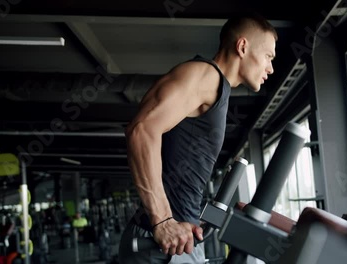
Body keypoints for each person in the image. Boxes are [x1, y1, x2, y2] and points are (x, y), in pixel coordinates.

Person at [118, 12, 277, 264]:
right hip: (159, 244)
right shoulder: (205, 76)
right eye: (268, 56)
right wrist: (163, 220)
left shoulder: (218, 87)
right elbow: (141, 130)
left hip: (179, 242)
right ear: (243, 46)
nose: (270, 67)